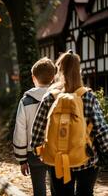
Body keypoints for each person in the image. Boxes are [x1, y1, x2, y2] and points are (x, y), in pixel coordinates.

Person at [31, 50, 108, 196]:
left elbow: (36, 133)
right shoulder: (88, 96)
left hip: (57, 160)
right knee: (85, 192)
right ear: (79, 71)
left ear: (59, 70)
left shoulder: (50, 97)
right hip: (87, 158)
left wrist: (41, 153)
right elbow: (101, 131)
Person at [13, 57, 55, 196]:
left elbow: (20, 130)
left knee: (39, 188)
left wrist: (21, 159)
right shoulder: (59, 98)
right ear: (53, 78)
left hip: (34, 152)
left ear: (33, 78)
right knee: (59, 188)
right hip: (57, 149)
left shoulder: (26, 101)